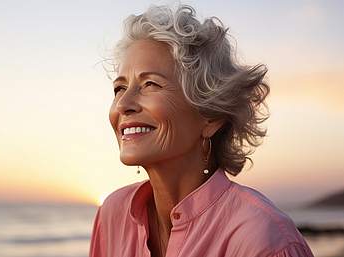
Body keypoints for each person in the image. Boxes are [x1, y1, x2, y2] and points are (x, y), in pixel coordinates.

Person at [89, 4, 314, 257]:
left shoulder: (263, 240)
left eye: (150, 83)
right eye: (119, 88)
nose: (123, 104)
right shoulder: (112, 215)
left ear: (210, 116)